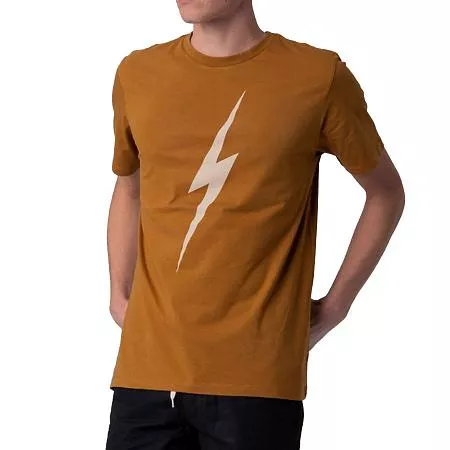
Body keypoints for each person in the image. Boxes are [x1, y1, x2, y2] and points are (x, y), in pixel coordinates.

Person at [105, 0, 405, 448]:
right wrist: (118, 291)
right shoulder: (137, 73)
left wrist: (336, 307)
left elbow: (385, 193)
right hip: (144, 374)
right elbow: (130, 188)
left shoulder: (317, 76)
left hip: (256, 379)